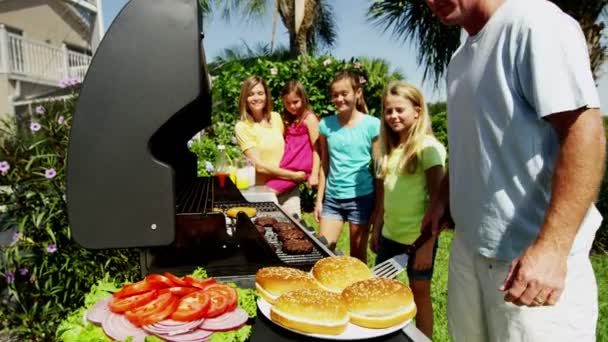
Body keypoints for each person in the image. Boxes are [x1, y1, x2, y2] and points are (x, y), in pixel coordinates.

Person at [422, 0, 606, 341]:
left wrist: (552, 249)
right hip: (468, 254)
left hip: (529, 267)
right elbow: (473, 146)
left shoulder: (533, 22)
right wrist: (442, 199)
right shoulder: (459, 59)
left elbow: (584, 134)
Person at [370, 81, 446, 339]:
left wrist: (428, 243)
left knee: (419, 293)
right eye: (388, 111)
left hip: (419, 239)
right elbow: (384, 196)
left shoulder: (428, 148)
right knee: (381, 290)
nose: (393, 116)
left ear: (417, 110)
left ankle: (423, 338)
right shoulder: (387, 149)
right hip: (390, 237)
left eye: (399, 110)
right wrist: (377, 224)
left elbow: (439, 201)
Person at [315, 71, 381, 263]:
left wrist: (379, 208)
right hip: (333, 199)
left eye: (344, 93)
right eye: (335, 95)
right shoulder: (326, 125)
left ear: (357, 93)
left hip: (361, 199)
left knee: (357, 257)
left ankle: (357, 292)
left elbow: (379, 170)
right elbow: (324, 165)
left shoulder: (372, 125)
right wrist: (320, 200)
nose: (339, 98)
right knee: (323, 251)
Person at [234, 76, 306, 217]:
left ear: (266, 96)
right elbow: (259, 166)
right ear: (245, 99)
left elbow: (291, 148)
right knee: (266, 231)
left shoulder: (276, 118)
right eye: (251, 94)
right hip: (265, 192)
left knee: (294, 234)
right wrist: (293, 175)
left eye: (260, 93)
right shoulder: (242, 127)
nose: (256, 98)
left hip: (288, 189)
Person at [266, 80, 320, 193]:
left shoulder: (309, 118)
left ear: (303, 99)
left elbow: (317, 148)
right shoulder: (290, 120)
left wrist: (315, 174)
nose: (291, 106)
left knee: (267, 193)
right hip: (286, 169)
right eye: (287, 103)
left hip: (298, 171)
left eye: (295, 102)